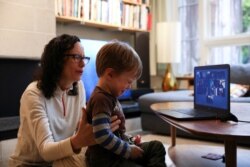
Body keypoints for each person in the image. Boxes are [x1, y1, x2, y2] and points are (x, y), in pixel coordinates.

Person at [9, 34, 121, 167]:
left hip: (61, 159)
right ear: (57, 60)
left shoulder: (78, 86)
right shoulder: (33, 94)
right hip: (30, 164)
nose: (82, 63)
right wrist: (79, 141)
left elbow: (80, 130)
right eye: (76, 57)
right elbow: (46, 151)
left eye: (84, 58)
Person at [85, 41, 166, 167]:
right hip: (106, 160)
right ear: (110, 74)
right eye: (128, 81)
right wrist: (128, 150)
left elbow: (115, 133)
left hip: (118, 152)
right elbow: (101, 135)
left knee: (156, 147)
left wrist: (130, 140)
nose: (129, 87)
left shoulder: (110, 96)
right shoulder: (101, 99)